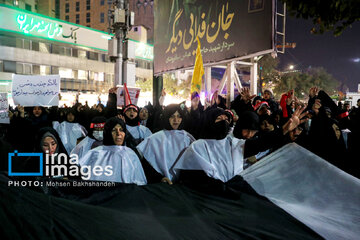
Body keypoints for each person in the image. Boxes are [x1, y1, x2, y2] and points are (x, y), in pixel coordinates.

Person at [137, 104, 195, 183]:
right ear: (166, 117)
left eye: (179, 116)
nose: (176, 120)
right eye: (172, 116)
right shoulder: (156, 138)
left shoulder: (187, 138)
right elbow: (147, 164)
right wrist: (160, 178)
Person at [79, 117, 147, 185]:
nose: (118, 133)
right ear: (108, 132)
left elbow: (139, 182)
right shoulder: (94, 153)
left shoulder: (131, 154)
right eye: (114, 130)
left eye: (121, 130)